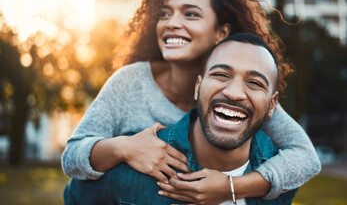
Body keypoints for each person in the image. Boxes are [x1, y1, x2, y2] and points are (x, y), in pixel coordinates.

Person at [61, 0, 320, 203]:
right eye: (165, 14)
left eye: (191, 14)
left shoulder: (239, 95)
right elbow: (72, 158)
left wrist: (231, 188)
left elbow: (305, 158)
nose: (172, 23)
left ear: (221, 33)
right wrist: (125, 148)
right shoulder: (130, 82)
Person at [64, 33, 299, 205]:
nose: (234, 92)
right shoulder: (134, 166)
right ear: (197, 88)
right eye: (220, 74)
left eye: (255, 83)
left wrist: (232, 189)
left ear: (272, 105)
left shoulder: (283, 181)